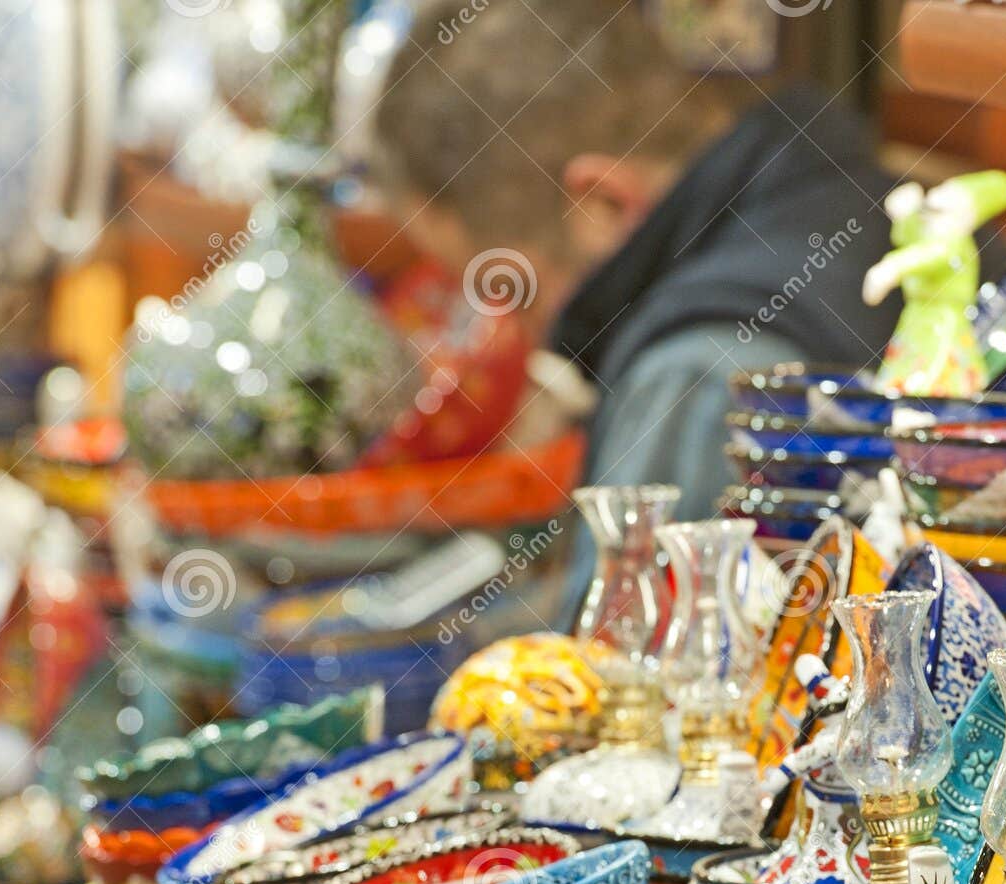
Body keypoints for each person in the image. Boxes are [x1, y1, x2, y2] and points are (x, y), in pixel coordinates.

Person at [373, 0, 899, 573]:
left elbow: (610, 658)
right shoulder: (840, 194)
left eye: (508, 288)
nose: (511, 330)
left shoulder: (696, 381)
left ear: (603, 202)